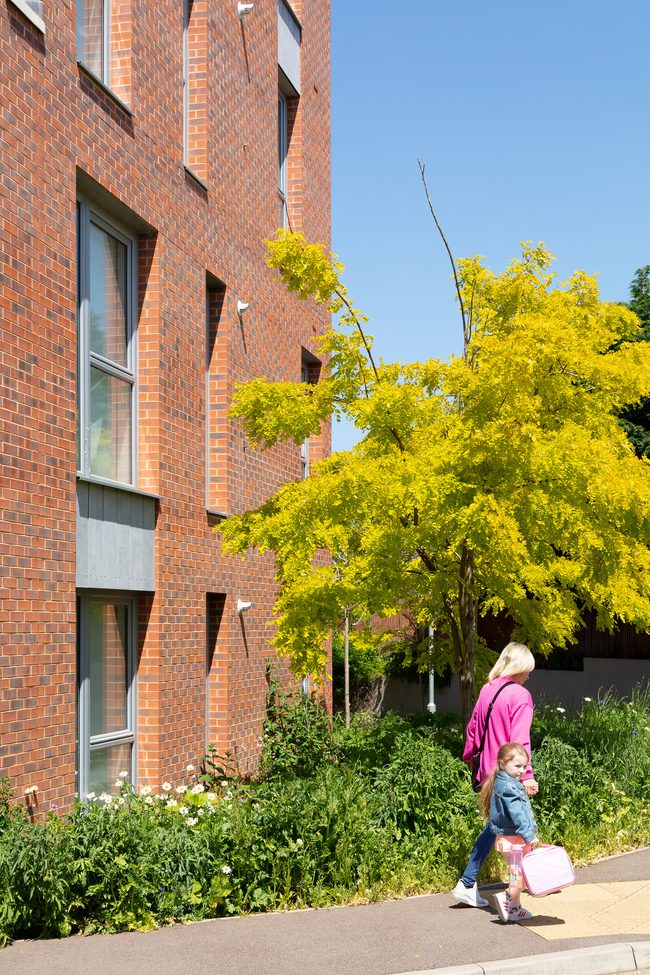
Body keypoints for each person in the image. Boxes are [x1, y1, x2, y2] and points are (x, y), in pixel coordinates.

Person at [451, 641, 538, 908]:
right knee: (518, 831)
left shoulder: (487, 690)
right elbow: (520, 741)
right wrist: (527, 775)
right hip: (508, 774)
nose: (529, 676)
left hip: (488, 771)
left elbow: (473, 731)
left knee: (496, 827)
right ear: (521, 666)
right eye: (528, 670)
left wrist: (472, 761)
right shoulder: (520, 695)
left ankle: (470, 883)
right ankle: (511, 888)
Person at [478, 742, 538, 922]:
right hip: (516, 839)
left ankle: (514, 908)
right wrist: (529, 836)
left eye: (524, 766)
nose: (521, 771)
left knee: (517, 873)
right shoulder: (509, 787)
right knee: (524, 874)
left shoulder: (504, 782)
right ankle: (508, 897)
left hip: (511, 838)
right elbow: (517, 814)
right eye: (517, 766)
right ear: (502, 764)